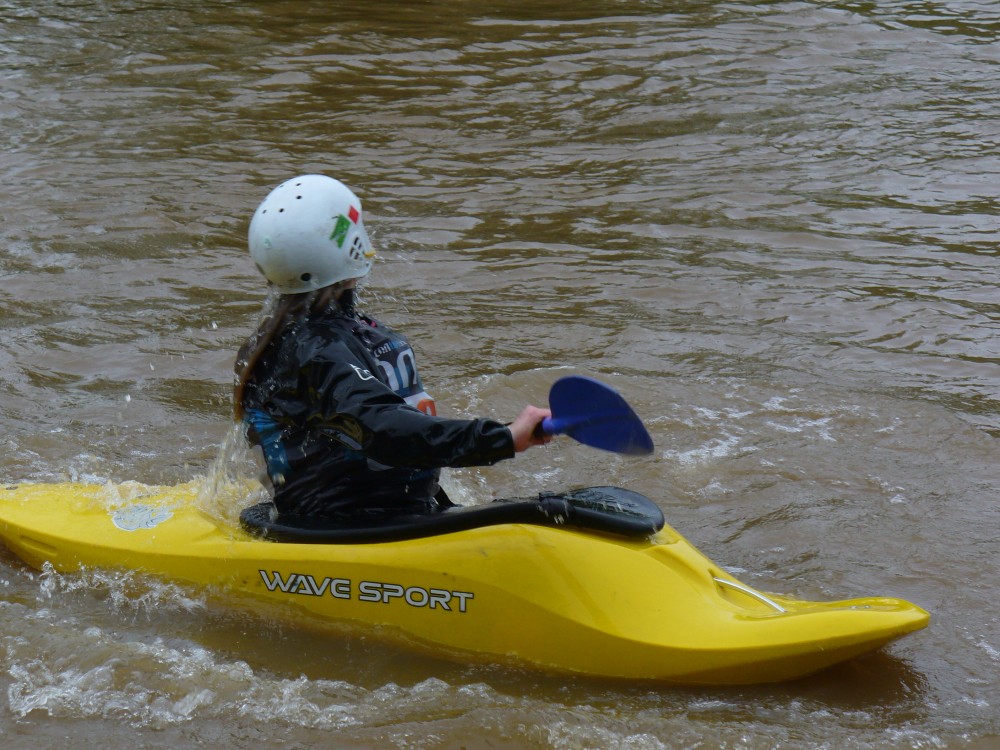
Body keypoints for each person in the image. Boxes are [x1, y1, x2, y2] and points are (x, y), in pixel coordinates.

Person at [233, 174, 551, 522]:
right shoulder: (315, 352)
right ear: (353, 244)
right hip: (351, 529)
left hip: (390, 514)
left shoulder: (324, 334)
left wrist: (506, 433)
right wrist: (502, 438)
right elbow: (382, 428)